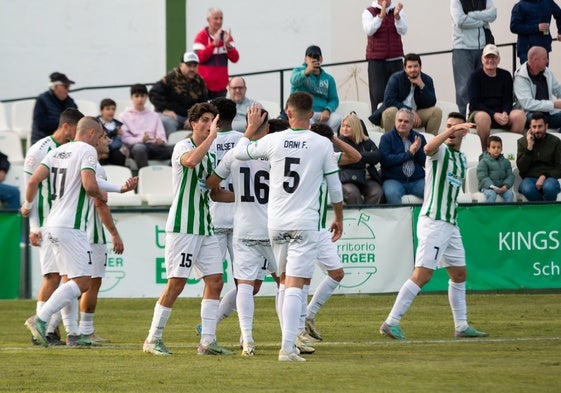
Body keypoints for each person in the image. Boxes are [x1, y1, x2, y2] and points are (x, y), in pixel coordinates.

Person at [234, 92, 344, 362]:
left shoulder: (273, 140)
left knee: (284, 283)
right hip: (304, 223)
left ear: (288, 113)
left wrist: (249, 129)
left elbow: (239, 153)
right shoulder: (321, 144)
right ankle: (287, 347)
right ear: (313, 114)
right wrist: (339, 217)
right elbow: (335, 186)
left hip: (276, 223)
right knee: (296, 284)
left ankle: (288, 345)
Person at [380, 112, 489, 340]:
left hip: (451, 223)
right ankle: (391, 321)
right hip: (434, 222)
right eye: (448, 126)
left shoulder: (460, 159)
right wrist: (449, 131)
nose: (451, 130)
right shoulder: (439, 151)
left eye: (456, 128)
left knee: (459, 273)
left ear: (465, 132)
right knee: (423, 274)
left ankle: (461, 326)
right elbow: (428, 148)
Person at [143, 103, 235, 356]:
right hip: (183, 227)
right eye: (204, 120)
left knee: (216, 281)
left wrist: (248, 198)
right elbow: (192, 161)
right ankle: (153, 338)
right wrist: (213, 138)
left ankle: (207, 342)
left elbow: (215, 193)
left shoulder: (212, 154)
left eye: (212, 120)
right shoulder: (183, 147)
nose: (209, 125)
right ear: (193, 123)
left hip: (205, 227)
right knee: (176, 284)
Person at [22, 116, 107, 347]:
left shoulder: (57, 152)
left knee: (68, 279)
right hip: (71, 226)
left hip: (51, 223)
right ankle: (40, 320)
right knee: (82, 282)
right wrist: (101, 195)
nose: (100, 140)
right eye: (100, 136)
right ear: (90, 133)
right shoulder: (87, 151)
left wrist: (28, 208)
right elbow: (90, 185)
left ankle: (72, 333)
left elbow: (31, 183)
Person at [205, 107, 278, 356]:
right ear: (267, 128)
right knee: (287, 284)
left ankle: (247, 339)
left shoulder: (235, 154)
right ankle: (294, 335)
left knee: (244, 285)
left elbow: (211, 185)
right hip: (272, 227)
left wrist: (238, 198)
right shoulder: (275, 152)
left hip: (244, 226)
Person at [23, 107, 84, 346]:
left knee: (68, 277)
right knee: (52, 277)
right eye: (75, 130)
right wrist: (34, 225)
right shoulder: (39, 150)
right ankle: (41, 331)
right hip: (47, 224)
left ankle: (60, 331)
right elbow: (31, 187)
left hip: (63, 223)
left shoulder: (71, 149)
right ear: (67, 127)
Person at [302, 122, 362, 343]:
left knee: (336, 273)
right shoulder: (303, 156)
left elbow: (356, 157)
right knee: (298, 280)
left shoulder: (327, 157)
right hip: (302, 225)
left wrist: (333, 138)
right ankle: (296, 329)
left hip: (318, 228)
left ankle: (308, 315)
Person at [78, 134, 136, 343]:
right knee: (91, 283)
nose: (108, 141)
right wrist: (114, 233)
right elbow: (100, 203)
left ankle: (54, 325)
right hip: (90, 234)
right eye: (104, 137)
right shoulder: (95, 167)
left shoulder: (73, 161)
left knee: (71, 281)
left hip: (73, 230)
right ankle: (84, 330)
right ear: (93, 138)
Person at [207, 97, 242, 323]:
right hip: (241, 217)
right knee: (244, 282)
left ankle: (208, 326)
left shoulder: (206, 141)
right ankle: (244, 333)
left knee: (212, 281)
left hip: (214, 216)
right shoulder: (244, 141)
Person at [468, 44, 526, 151]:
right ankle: (485, 152)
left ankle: (512, 150)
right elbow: (474, 102)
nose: (490, 60)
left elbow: (508, 99)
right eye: (487, 57)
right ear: (482, 59)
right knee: (483, 117)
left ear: (498, 59)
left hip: (501, 114)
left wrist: (505, 112)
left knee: (519, 115)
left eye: (493, 57)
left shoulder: (506, 75)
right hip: (481, 113)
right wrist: (493, 114)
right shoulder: (475, 76)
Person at [374, 53, 442, 135]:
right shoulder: (396, 78)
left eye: (415, 66)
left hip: (416, 116)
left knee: (437, 111)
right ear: (405, 68)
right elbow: (389, 101)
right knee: (390, 112)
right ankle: (393, 144)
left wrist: (422, 86)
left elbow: (431, 103)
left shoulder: (427, 80)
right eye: (410, 67)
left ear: (420, 67)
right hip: (396, 114)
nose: (413, 69)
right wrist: (410, 110)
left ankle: (430, 145)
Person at [451, 0, 497, 116]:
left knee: (484, 85)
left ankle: (483, 116)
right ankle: (464, 119)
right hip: (462, 48)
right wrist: (483, 20)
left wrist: (471, 15)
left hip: (483, 47)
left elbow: (493, 14)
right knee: (464, 89)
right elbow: (460, 21)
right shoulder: (456, 1)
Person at [362, 1, 407, 114]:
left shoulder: (397, 10)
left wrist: (397, 17)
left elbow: (403, 30)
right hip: (376, 61)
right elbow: (369, 30)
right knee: (378, 95)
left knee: (398, 93)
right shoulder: (369, 11)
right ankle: (378, 123)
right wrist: (380, 16)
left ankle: (399, 123)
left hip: (395, 59)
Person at [149, 51, 208, 136]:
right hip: (173, 116)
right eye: (189, 65)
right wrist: (165, 109)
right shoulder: (170, 78)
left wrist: (194, 117)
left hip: (191, 117)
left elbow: (204, 103)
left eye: (194, 66)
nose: (192, 69)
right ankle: (171, 148)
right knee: (167, 122)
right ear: (181, 65)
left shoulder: (200, 81)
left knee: (203, 123)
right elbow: (153, 93)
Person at [379, 108, 427, 205]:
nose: (402, 123)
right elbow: (385, 161)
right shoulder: (386, 138)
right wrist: (409, 154)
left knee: (433, 192)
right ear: (395, 121)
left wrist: (417, 151)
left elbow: (426, 162)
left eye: (406, 121)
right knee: (391, 193)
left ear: (412, 124)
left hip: (416, 180)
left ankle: (427, 219)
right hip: (393, 180)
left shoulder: (419, 138)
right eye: (400, 120)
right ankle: (399, 220)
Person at [120, 83, 173, 169]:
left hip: (154, 146)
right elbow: (125, 139)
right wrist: (141, 139)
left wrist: (161, 141)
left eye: (142, 96)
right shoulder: (124, 116)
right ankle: (146, 176)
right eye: (136, 96)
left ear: (146, 97)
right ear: (131, 98)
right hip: (136, 147)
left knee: (177, 148)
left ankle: (170, 175)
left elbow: (161, 134)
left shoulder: (154, 115)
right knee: (139, 148)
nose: (140, 99)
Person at [290, 45, 342, 132]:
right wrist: (307, 71)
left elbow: (334, 99)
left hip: (322, 113)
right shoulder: (298, 71)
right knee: (305, 122)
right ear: (305, 59)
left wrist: (327, 110)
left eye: (316, 56)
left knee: (339, 120)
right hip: (304, 112)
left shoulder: (329, 78)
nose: (313, 59)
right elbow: (294, 81)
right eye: (310, 56)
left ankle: (327, 141)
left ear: (321, 59)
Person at [336, 113, 384, 205]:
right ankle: (356, 218)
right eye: (343, 126)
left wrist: (356, 156)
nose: (344, 129)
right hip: (347, 178)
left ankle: (368, 217)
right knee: (352, 193)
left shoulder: (366, 141)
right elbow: (341, 161)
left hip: (367, 178)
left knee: (377, 192)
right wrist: (365, 162)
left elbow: (377, 156)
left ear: (356, 127)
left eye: (348, 126)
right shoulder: (339, 142)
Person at [193, 7, 240, 99]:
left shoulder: (226, 36)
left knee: (220, 112)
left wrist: (228, 46)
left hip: (221, 87)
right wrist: (213, 45)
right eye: (216, 18)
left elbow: (235, 59)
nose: (219, 21)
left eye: (221, 18)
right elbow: (198, 58)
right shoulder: (200, 37)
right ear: (208, 20)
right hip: (204, 86)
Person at [516, 112, 561, 201]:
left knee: (549, 188)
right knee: (527, 189)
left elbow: (559, 167)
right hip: (529, 178)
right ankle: (544, 211)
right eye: (534, 127)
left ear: (546, 126)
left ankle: (546, 211)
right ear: (530, 128)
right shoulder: (523, 142)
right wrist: (529, 148)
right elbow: (521, 168)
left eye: (540, 126)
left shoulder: (555, 142)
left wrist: (544, 176)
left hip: (549, 177)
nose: (536, 130)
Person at [514, 46, 561, 130]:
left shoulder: (546, 71)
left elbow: (557, 89)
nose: (547, 61)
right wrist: (554, 104)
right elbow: (528, 104)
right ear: (535, 60)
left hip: (548, 112)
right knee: (540, 120)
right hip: (530, 115)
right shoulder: (520, 77)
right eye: (544, 58)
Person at [31, 72, 78, 144]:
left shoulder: (70, 102)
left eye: (68, 87)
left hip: (63, 142)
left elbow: (77, 120)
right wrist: (64, 125)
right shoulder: (42, 100)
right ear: (55, 87)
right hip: (44, 141)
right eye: (66, 86)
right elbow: (41, 124)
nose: (68, 90)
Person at [476, 135, 515, 202]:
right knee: (491, 194)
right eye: (493, 147)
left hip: (502, 188)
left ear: (501, 149)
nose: (496, 149)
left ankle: (508, 212)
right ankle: (490, 212)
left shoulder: (506, 162)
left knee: (509, 194)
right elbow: (482, 177)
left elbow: (510, 176)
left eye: (498, 147)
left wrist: (506, 186)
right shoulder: (484, 161)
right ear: (488, 149)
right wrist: (492, 187)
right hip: (487, 187)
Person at [97, 98, 127, 166]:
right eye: (108, 109)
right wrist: (113, 133)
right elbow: (96, 139)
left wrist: (108, 149)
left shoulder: (119, 124)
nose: (111, 111)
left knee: (119, 156)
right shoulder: (95, 123)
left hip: (113, 151)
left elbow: (118, 143)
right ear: (101, 110)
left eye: (113, 109)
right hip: (99, 151)